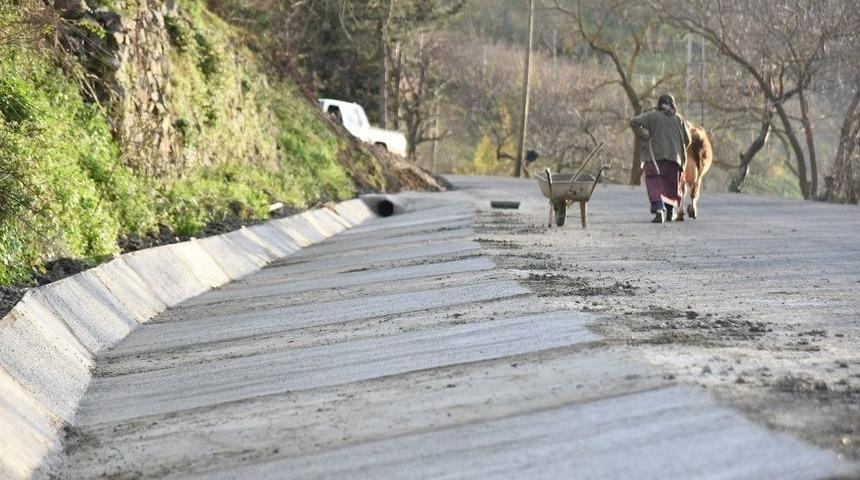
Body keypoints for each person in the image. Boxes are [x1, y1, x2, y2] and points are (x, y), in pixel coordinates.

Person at [629, 94, 691, 223]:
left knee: (654, 182)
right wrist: (676, 147)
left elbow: (634, 122)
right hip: (675, 159)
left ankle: (659, 209)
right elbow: (688, 140)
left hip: (653, 157)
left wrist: (645, 135)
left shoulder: (652, 116)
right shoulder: (679, 119)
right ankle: (669, 212)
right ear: (673, 105)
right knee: (671, 186)